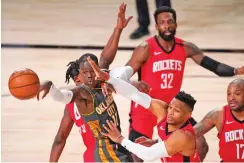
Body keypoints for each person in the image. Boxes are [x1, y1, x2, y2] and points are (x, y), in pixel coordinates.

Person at [103, 5, 244, 161]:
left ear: (176, 24)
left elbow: (214, 66)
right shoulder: (145, 48)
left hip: (173, 110)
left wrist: (236, 71)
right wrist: (133, 83)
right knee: (138, 154)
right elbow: (122, 73)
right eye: (162, 22)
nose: (167, 25)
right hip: (147, 107)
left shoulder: (185, 47)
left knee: (201, 143)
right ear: (156, 26)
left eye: (170, 21)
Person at [40, 3, 134, 162]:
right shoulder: (79, 95)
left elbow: (105, 59)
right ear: (78, 79)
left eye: (91, 71)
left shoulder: (99, 79)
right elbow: (60, 137)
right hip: (101, 152)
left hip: (115, 146)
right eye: (84, 74)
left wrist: (118, 29)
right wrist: (50, 86)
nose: (89, 76)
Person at [86, 57, 200, 162]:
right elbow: (135, 94)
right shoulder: (163, 111)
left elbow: (149, 155)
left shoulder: (183, 136)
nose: (170, 112)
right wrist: (108, 77)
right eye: (171, 107)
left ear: (188, 116)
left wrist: (120, 139)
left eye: (177, 111)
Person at [49, 60, 95, 162]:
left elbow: (60, 139)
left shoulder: (70, 105)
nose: (91, 75)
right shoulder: (96, 92)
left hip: (92, 157)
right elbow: (60, 139)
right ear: (77, 79)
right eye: (85, 72)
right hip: (105, 154)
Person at [193, 78, 244, 162]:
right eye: (229, 94)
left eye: (237, 94)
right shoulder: (218, 115)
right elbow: (190, 134)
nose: (232, 98)